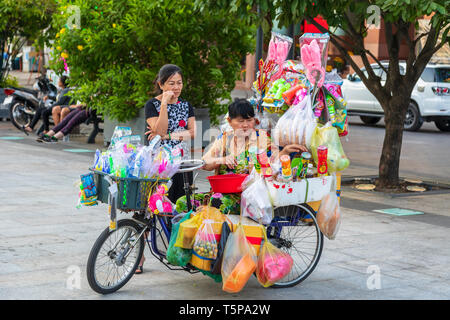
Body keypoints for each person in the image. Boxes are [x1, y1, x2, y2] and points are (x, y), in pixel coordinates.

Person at [176, 98, 308, 214]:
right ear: (230, 121)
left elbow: (272, 163)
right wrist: (221, 159)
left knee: (217, 201)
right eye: (240, 121)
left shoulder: (260, 137)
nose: (245, 125)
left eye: (249, 120)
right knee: (182, 202)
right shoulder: (225, 138)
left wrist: (284, 152)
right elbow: (205, 163)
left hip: (249, 196)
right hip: (220, 192)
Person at [137, 64, 196, 274]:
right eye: (171, 83)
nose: (176, 87)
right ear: (161, 84)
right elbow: (159, 128)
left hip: (181, 164)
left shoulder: (187, 105)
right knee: (147, 208)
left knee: (179, 207)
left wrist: (168, 136)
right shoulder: (151, 105)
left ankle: (178, 251)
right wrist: (163, 104)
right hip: (158, 165)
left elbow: (192, 132)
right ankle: (139, 257)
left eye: (179, 82)